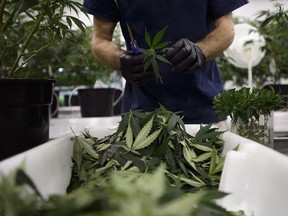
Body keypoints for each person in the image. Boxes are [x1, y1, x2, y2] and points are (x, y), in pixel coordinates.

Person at [83, 0, 249, 124]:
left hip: (205, 109)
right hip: (142, 116)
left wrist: (201, 50)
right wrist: (121, 59)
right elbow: (100, 39)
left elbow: (226, 28)